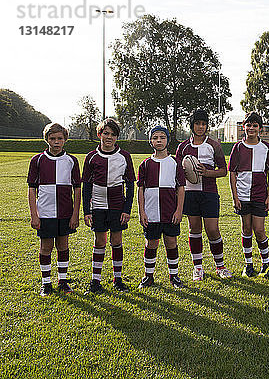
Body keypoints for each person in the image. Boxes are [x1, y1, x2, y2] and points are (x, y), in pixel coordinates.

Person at [175, 109, 232, 280]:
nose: (200, 127)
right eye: (197, 123)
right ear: (192, 125)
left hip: (209, 193)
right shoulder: (183, 147)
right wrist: (184, 173)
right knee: (194, 229)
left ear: (207, 125)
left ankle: (220, 266)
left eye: (203, 123)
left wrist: (206, 173)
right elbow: (177, 173)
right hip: (190, 194)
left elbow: (223, 171)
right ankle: (198, 268)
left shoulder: (214, 145)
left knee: (213, 230)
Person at [82, 118, 135, 293]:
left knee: (116, 240)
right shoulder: (91, 157)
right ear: (99, 134)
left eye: (113, 134)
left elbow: (129, 185)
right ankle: (95, 281)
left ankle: (117, 279)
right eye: (106, 133)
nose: (109, 137)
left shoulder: (125, 156)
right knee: (100, 241)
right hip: (97, 205)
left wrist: (127, 210)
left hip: (117, 206)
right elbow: (87, 186)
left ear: (116, 137)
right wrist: (86, 211)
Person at [27, 123, 81, 296]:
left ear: (65, 139)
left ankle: (63, 281)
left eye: (60, 138)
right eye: (52, 138)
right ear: (46, 139)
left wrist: (75, 214)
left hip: (65, 212)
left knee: (63, 246)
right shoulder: (37, 160)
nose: (56, 142)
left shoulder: (71, 160)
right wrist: (34, 215)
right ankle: (46, 283)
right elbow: (31, 189)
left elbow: (77, 189)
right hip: (45, 213)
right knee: (46, 246)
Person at [137, 125, 186, 289]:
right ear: (150, 141)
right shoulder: (145, 164)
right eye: (155, 137)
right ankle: (148, 276)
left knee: (171, 242)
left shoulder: (175, 163)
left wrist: (179, 210)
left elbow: (180, 188)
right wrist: (142, 211)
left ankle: (174, 276)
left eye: (162, 137)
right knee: (151, 243)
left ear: (167, 140)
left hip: (170, 211)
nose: (159, 140)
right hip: (151, 212)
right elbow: (141, 189)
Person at [228, 112, 269, 277]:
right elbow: (232, 173)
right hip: (242, 196)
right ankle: (248, 265)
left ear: (260, 128)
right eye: (249, 125)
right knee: (246, 229)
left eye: (255, 125)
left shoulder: (266, 148)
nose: (251, 128)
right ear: (244, 127)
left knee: (259, 230)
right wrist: (235, 197)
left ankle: (266, 264)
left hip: (259, 196)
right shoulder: (238, 148)